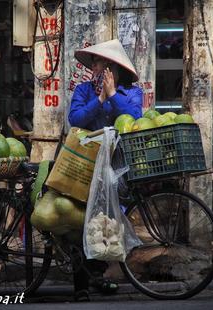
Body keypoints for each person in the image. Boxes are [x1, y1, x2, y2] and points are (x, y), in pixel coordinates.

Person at [68, 39, 143, 301]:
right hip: (86, 165)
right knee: (82, 219)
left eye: (104, 64)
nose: (99, 68)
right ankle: (82, 284)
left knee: (110, 223)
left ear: (116, 69)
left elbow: (133, 118)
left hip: (118, 167)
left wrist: (112, 95)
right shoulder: (83, 91)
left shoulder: (132, 93)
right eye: (97, 63)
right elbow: (75, 120)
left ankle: (97, 274)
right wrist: (99, 98)